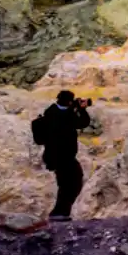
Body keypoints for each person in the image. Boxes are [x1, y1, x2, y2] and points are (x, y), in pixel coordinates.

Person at [31, 90, 92, 221]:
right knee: (69, 183)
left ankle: (61, 212)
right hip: (60, 156)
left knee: (70, 182)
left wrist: (79, 109)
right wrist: (80, 110)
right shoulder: (58, 114)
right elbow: (80, 123)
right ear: (69, 101)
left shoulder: (55, 112)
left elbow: (81, 123)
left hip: (63, 156)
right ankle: (59, 213)